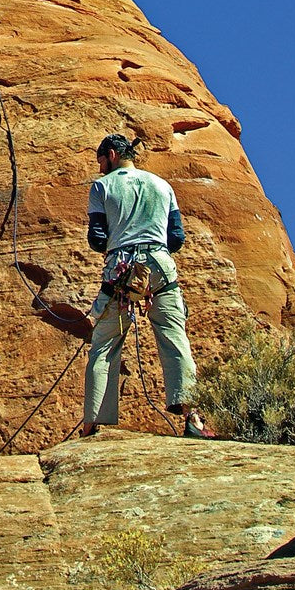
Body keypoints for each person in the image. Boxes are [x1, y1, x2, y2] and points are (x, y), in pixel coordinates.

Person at [80, 133, 210, 438]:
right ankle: (194, 419)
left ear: (111, 154)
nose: (100, 168)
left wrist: (121, 240)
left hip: (121, 269)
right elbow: (176, 238)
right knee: (174, 335)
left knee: (104, 344)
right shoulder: (162, 185)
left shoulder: (102, 186)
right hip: (160, 267)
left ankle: (93, 426)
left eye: (100, 161)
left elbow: (97, 239)